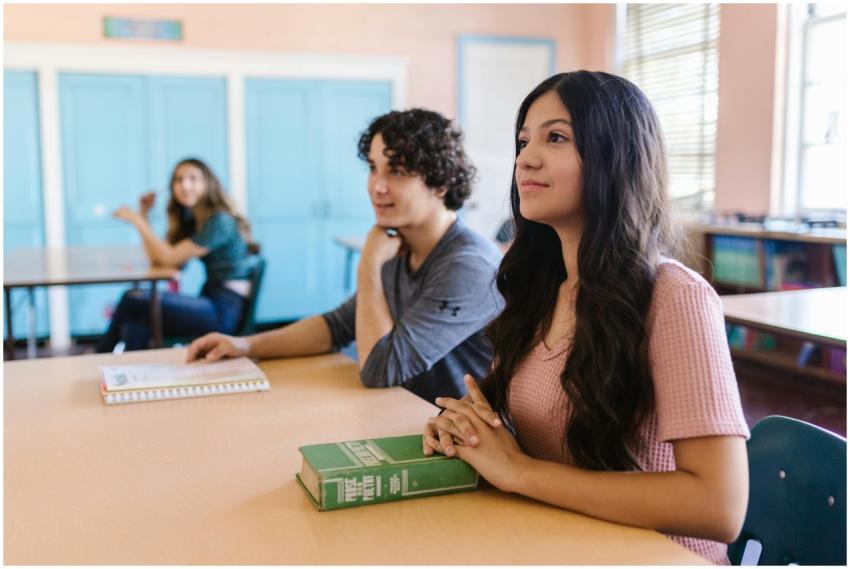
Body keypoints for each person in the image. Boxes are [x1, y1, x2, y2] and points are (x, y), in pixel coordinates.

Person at [422, 71, 750, 564]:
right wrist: (465, 427)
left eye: (556, 137)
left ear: (616, 157)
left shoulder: (675, 297)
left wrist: (520, 473)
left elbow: (719, 507)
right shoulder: (545, 288)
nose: (525, 158)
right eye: (523, 139)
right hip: (561, 542)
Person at [187, 109, 504, 402]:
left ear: (440, 183)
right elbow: (336, 326)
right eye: (372, 168)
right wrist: (246, 345)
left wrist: (368, 266)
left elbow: (380, 370)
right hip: (405, 416)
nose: (377, 186)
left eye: (397, 171)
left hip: (466, 444)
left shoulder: (468, 265)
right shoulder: (400, 245)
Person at [96, 158, 255, 353]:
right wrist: (144, 215)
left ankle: (98, 356)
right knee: (136, 325)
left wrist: (138, 222)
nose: (185, 185)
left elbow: (169, 258)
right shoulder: (194, 219)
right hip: (211, 299)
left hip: (224, 310)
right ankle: (129, 378)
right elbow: (161, 259)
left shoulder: (219, 221)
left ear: (208, 183)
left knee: (132, 299)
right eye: (178, 180)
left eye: (193, 178)